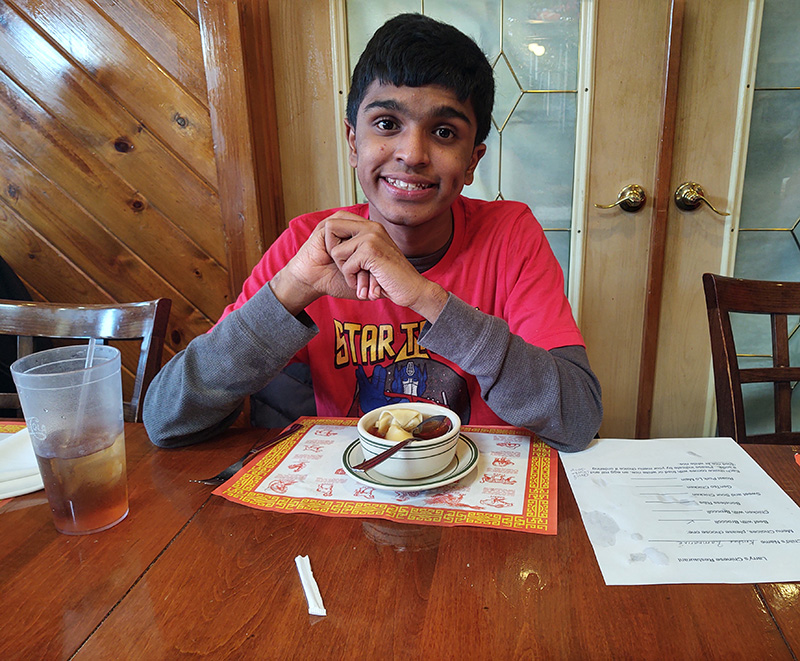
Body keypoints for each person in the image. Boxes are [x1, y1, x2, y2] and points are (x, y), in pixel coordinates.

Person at [143, 13, 602, 452]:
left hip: (480, 502)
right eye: (386, 124)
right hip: (353, 496)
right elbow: (166, 420)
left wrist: (426, 297)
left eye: (444, 132)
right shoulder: (309, 243)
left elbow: (578, 419)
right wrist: (292, 289)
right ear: (352, 142)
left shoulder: (510, 235)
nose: (412, 153)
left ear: (471, 162)